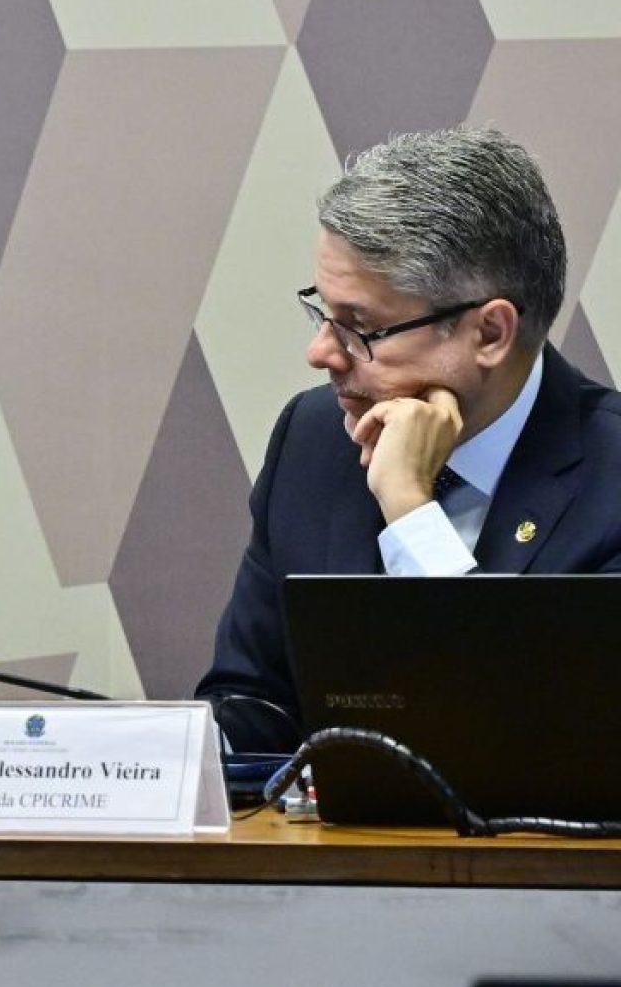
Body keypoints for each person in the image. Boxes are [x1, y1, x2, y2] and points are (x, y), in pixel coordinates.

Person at [197, 126, 621, 751]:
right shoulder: (313, 438)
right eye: (324, 313)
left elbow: (530, 740)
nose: (321, 353)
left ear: (490, 333)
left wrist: (410, 510)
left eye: (360, 327)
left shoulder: (610, 480)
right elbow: (251, 701)